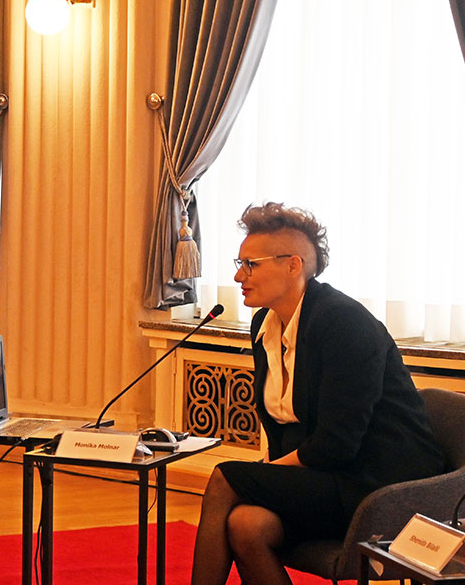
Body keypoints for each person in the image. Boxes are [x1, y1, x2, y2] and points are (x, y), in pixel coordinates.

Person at [190, 202, 445, 585]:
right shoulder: (264, 325)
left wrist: (264, 474)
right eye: (239, 263)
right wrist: (268, 474)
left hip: (378, 484)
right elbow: (285, 426)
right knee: (246, 524)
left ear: (293, 265)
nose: (239, 275)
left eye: (250, 264)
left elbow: (338, 444)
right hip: (327, 478)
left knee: (224, 477)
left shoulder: (344, 322)